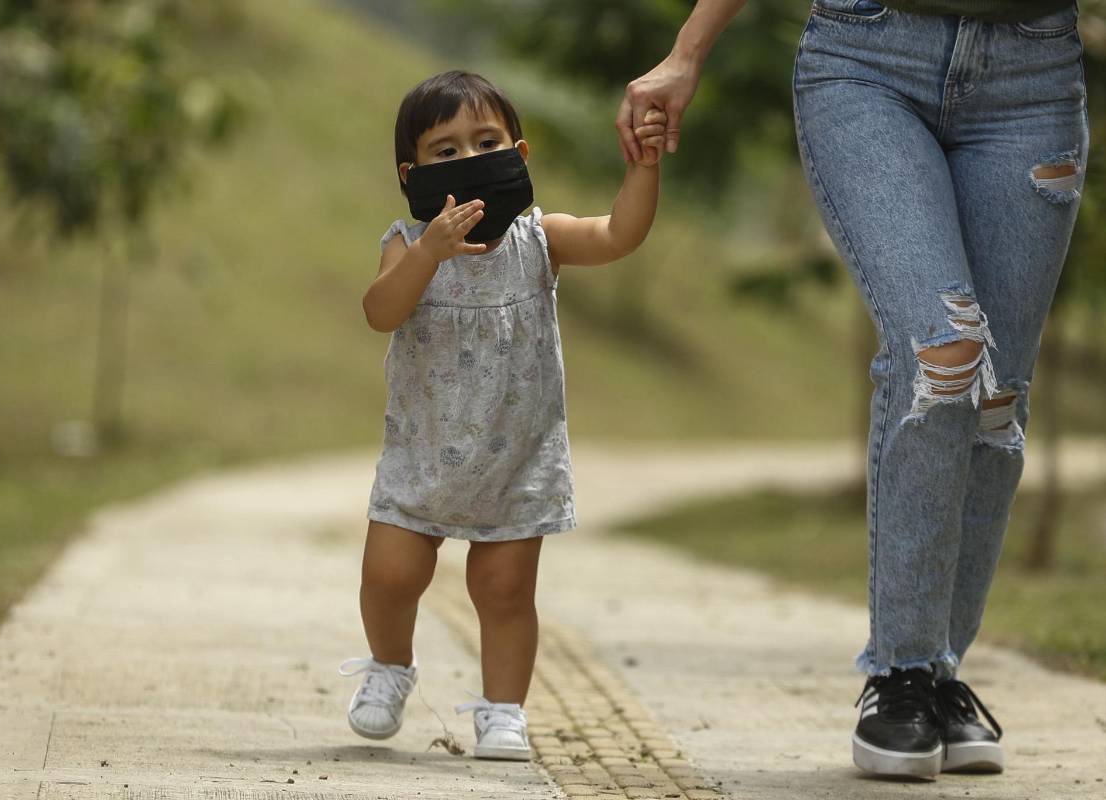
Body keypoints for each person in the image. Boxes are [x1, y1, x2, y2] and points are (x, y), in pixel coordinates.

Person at [618, 0, 1087, 780]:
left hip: (1034, 76)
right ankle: (899, 674)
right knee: (944, 357)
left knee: (996, 398)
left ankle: (938, 671)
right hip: (870, 58)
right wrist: (687, 50)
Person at [340, 70, 665, 761]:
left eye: (486, 143)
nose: (470, 159)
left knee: (505, 590)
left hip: (515, 458)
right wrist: (429, 254)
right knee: (389, 576)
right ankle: (390, 667)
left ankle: (503, 710)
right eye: (446, 151)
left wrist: (643, 167)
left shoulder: (541, 239)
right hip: (423, 455)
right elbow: (379, 311)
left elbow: (618, 235)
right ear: (411, 175)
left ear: (519, 155)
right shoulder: (406, 242)